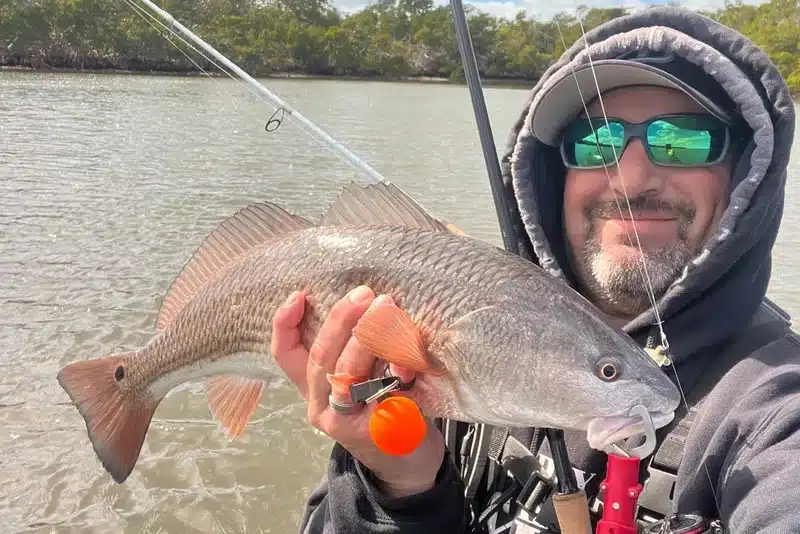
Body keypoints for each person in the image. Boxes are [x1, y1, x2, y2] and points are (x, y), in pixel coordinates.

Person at [271, 6, 800, 534]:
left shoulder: (775, 414)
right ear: (553, 178)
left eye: (685, 140)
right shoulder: (436, 317)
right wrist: (399, 485)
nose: (632, 177)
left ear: (743, 179)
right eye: (597, 142)